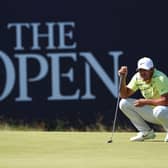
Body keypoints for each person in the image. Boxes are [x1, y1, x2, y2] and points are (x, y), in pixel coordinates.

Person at [118, 57, 168, 142]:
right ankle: (146, 132)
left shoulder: (160, 78)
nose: (142, 73)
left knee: (159, 110)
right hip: (154, 112)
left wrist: (146, 102)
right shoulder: (137, 77)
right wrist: (123, 78)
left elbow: (166, 101)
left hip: (164, 112)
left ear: (152, 69)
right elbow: (124, 95)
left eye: (145, 70)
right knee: (124, 103)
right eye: (140, 70)